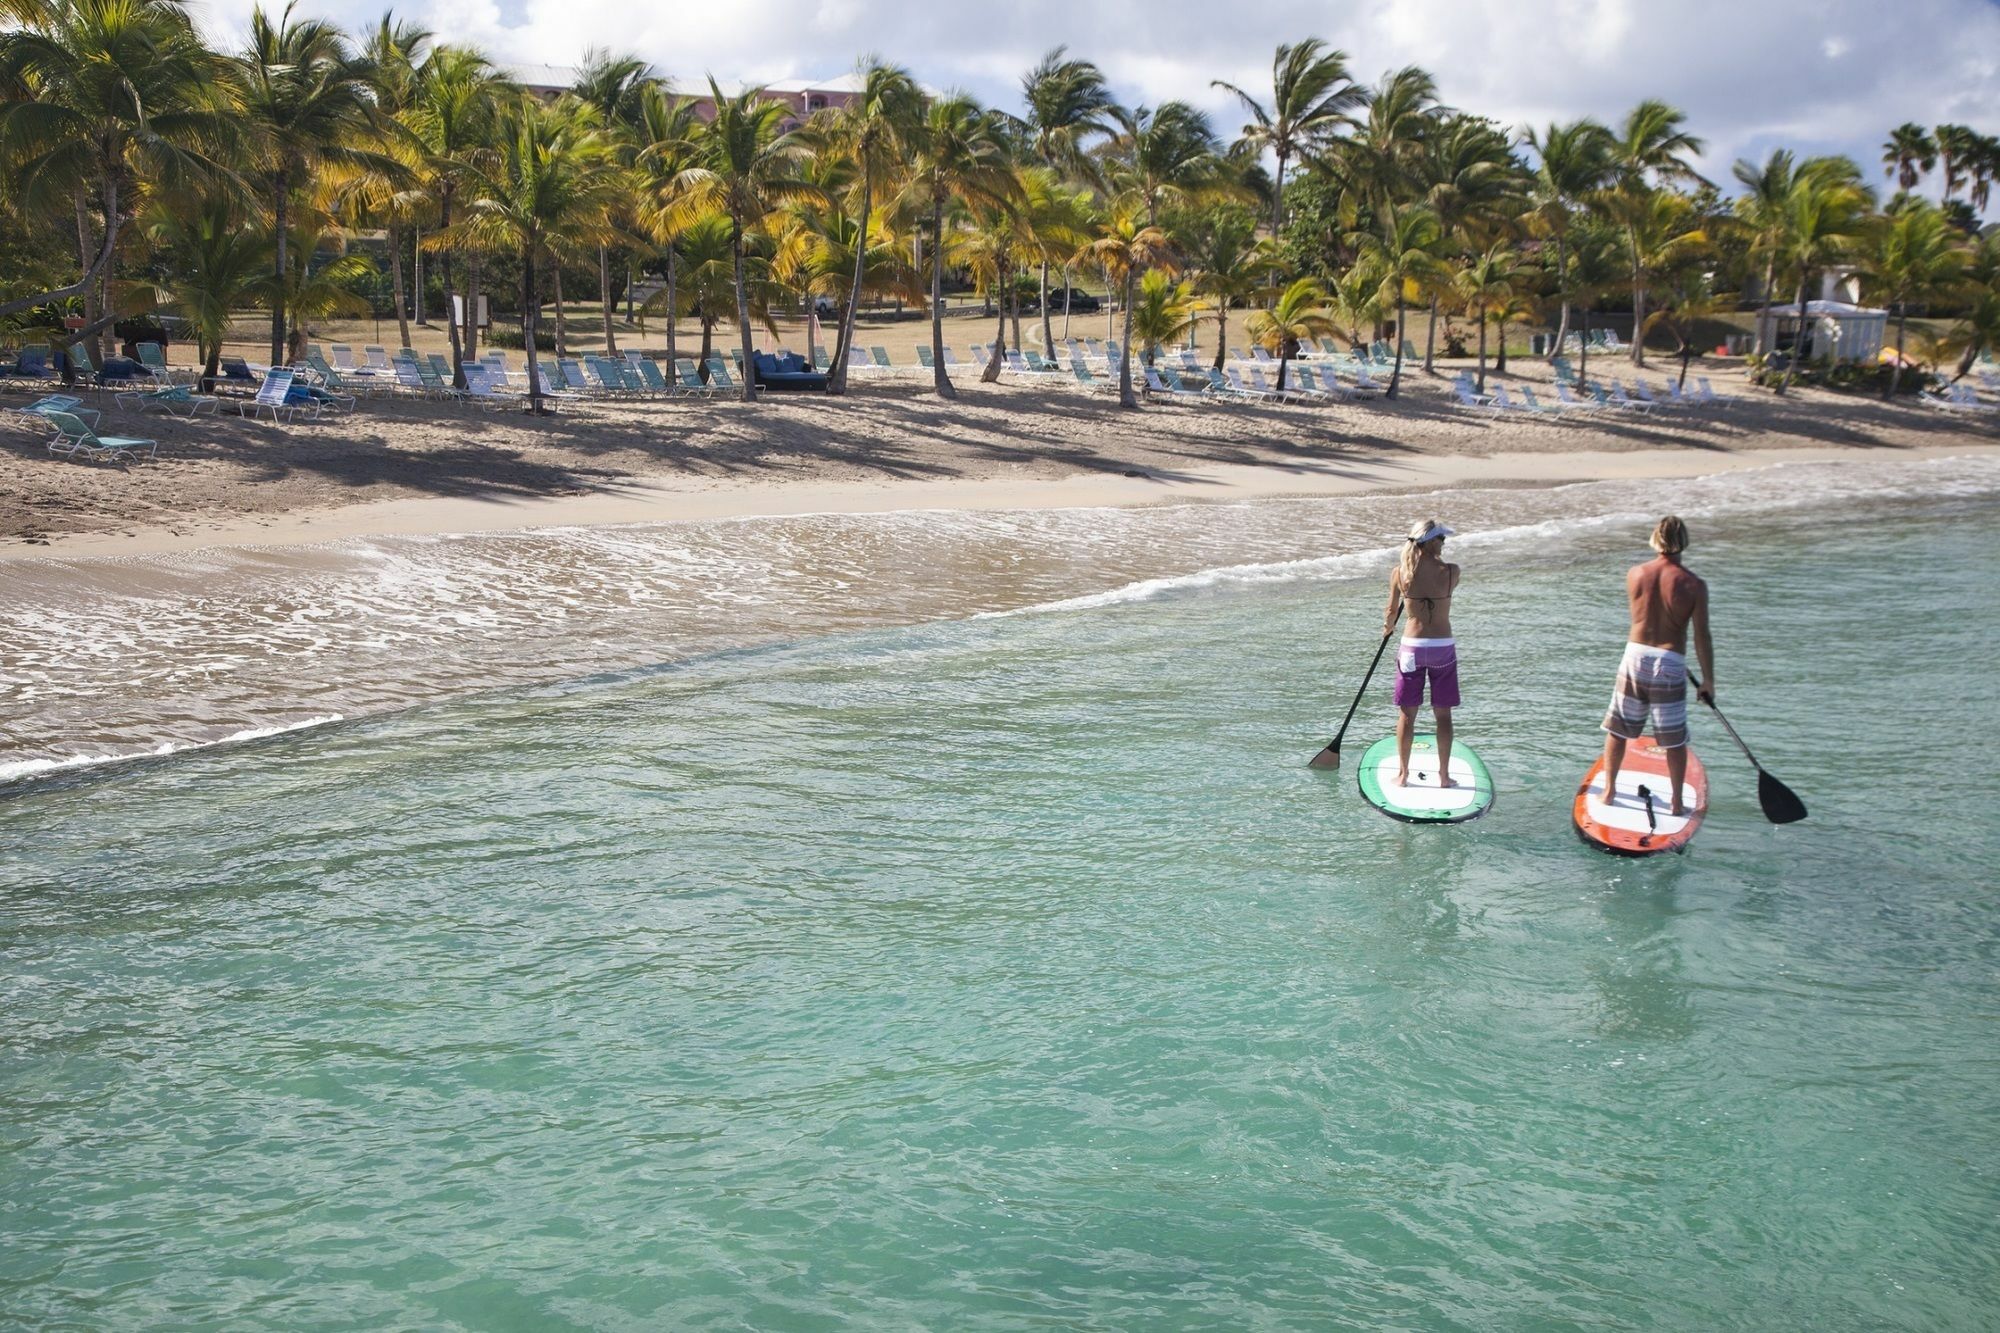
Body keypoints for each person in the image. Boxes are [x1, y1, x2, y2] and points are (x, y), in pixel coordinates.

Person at [1600, 515, 1715, 815]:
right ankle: (1676, 803)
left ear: (1655, 540)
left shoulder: (1635, 573)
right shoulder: (1694, 584)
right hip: (1670, 661)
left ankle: (1610, 792)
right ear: (1684, 541)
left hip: (1635, 656)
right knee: (1673, 740)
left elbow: (1641, 616)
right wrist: (1707, 681)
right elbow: (1702, 636)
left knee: (1618, 730)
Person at [1384, 518, 1461, 788]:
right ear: (1431, 543)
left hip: (1412, 648)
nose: (1444, 544)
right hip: (1442, 648)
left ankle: (1403, 776)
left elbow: (1391, 612)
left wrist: (1388, 628)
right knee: (1444, 714)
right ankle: (1443, 776)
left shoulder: (1400, 573)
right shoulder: (1452, 572)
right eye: (1442, 539)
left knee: (1407, 714)